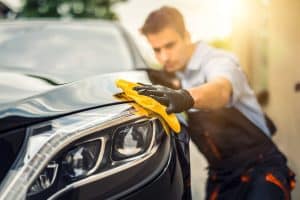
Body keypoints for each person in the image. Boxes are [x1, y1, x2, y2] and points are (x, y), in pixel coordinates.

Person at [134, 6, 295, 200]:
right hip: (221, 177)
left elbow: (221, 89)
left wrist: (185, 97)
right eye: (156, 50)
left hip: (260, 171)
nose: (163, 57)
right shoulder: (177, 75)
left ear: (186, 35)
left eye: (170, 46)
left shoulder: (219, 61)